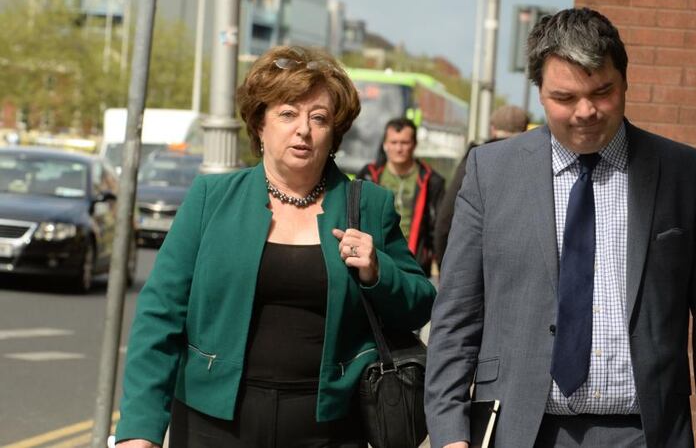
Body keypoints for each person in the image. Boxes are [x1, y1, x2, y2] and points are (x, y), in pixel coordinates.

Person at [425, 8, 696, 448]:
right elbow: (456, 317)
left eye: (602, 92)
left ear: (625, 81)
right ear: (539, 92)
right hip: (519, 432)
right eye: (565, 97)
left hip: (645, 433)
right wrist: (449, 433)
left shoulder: (685, 176)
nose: (586, 112)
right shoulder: (490, 172)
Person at [114, 46, 436, 448]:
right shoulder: (211, 199)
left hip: (329, 429)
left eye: (318, 118)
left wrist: (377, 272)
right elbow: (159, 317)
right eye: (287, 114)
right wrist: (139, 431)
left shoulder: (368, 205)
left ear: (333, 133)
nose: (303, 129)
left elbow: (421, 302)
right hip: (211, 424)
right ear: (260, 124)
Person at [433, 105, 529, 267]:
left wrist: (445, 265)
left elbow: (445, 220)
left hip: (475, 265)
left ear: (493, 129)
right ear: (526, 130)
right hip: (519, 267)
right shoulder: (534, 163)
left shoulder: (475, 161)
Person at [356, 118, 445, 276]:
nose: (398, 148)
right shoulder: (368, 174)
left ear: (414, 144)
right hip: (373, 260)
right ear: (385, 144)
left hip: (414, 264)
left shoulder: (432, 180)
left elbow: (439, 227)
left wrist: (441, 265)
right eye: (393, 142)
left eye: (404, 142)